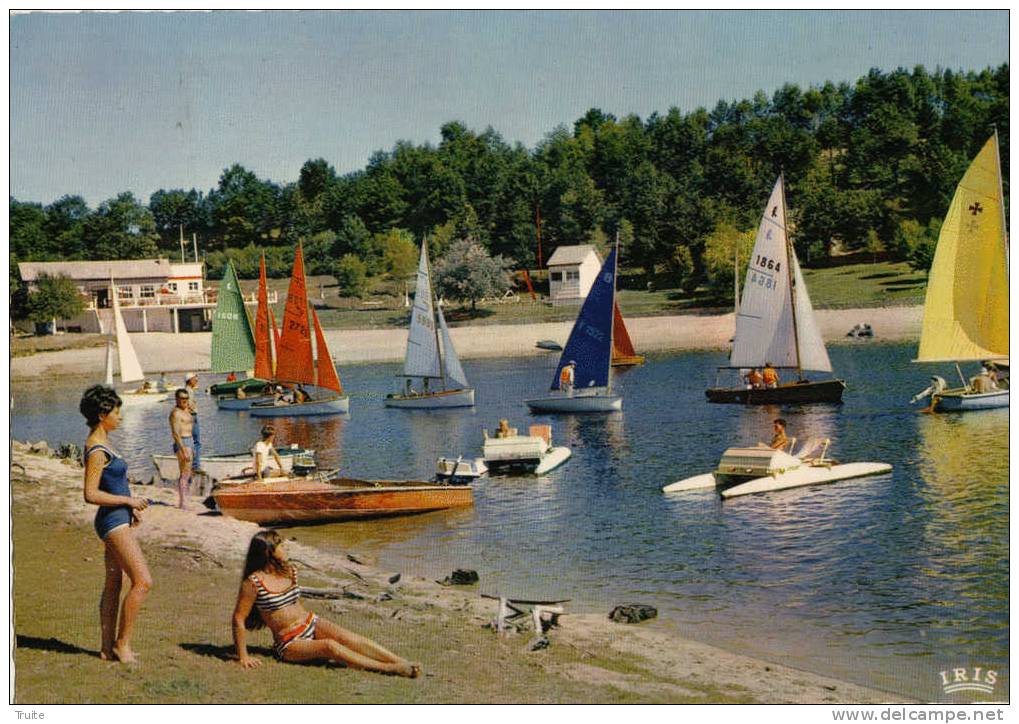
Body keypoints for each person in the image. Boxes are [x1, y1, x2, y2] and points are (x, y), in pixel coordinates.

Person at [232, 530, 420, 676]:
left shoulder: (289, 571)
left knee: (349, 638)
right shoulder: (253, 582)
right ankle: (389, 669)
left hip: (310, 622)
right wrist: (243, 656)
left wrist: (307, 622)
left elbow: (293, 603)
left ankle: (401, 661)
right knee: (329, 646)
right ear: (268, 552)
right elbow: (239, 618)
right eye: (281, 545)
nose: (286, 548)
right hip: (289, 642)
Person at [80, 385, 152, 664]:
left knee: (114, 582)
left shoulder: (105, 441)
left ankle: (105, 647)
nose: (120, 416)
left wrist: (128, 505)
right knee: (143, 581)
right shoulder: (97, 449)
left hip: (118, 517)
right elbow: (90, 494)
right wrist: (128, 501)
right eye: (116, 411)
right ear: (102, 415)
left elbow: (115, 482)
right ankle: (122, 645)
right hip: (111, 521)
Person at [169, 388, 195, 510]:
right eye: (182, 398)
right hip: (183, 442)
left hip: (190, 441)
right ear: (177, 399)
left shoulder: (187, 410)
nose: (184, 401)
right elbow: (175, 433)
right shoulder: (176, 413)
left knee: (187, 473)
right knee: (184, 474)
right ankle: (183, 503)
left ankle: (184, 500)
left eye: (186, 398)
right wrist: (183, 449)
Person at [184, 373, 202, 472]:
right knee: (197, 442)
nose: (196, 380)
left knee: (191, 441)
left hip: (188, 417)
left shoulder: (187, 390)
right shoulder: (189, 391)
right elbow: (189, 405)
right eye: (195, 379)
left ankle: (193, 463)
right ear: (190, 380)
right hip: (192, 417)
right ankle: (196, 465)